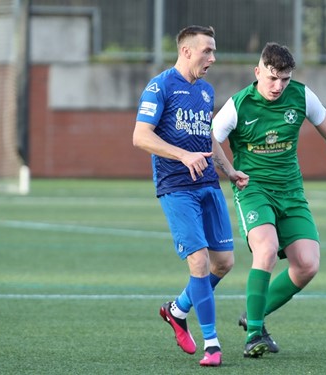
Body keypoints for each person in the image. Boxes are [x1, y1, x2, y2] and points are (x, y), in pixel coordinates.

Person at [211, 42, 326, 358]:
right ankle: (254, 336)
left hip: (291, 192)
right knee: (267, 249)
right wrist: (229, 170)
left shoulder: (301, 96)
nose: (278, 86)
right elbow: (211, 138)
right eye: (272, 78)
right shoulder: (238, 105)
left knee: (307, 265)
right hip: (254, 190)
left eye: (284, 79)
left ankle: (254, 315)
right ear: (257, 72)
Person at [132, 25, 248, 367]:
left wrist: (229, 171)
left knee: (224, 263)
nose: (212, 57)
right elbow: (140, 136)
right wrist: (182, 156)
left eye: (213, 51)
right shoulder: (160, 86)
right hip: (176, 187)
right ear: (186, 51)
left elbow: (208, 138)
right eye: (207, 51)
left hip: (208, 185)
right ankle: (212, 344)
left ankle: (178, 309)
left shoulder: (207, 91)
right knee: (198, 262)